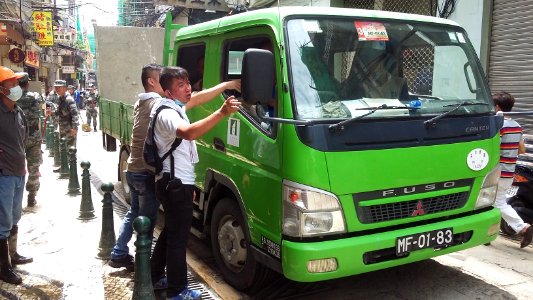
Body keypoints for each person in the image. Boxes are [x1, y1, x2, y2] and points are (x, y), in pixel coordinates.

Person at [150, 66, 241, 299]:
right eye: (181, 85)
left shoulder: (174, 106)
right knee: (179, 240)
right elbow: (189, 133)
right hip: (175, 183)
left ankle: (154, 275)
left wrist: (226, 85)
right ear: (169, 92)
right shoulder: (167, 114)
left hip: (177, 183)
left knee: (171, 232)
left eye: (187, 82)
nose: (188, 88)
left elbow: (199, 97)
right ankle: (177, 290)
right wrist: (221, 113)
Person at [109, 64, 165, 271]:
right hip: (144, 172)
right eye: (162, 78)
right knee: (147, 221)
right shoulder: (157, 104)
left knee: (133, 212)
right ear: (151, 81)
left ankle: (118, 253)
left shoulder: (141, 102)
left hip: (133, 169)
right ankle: (143, 265)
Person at [0, 67, 33, 285]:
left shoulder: (18, 111)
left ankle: (13, 254)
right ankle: (4, 267)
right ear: (2, 89)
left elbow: (23, 139)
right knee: (3, 221)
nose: (15, 87)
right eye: (11, 84)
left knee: (15, 216)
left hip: (19, 171)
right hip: (4, 174)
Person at [492, 91, 533, 248]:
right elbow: (522, 149)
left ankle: (522, 226)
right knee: (498, 201)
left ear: (496, 107)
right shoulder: (517, 126)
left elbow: (494, 148)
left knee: (494, 202)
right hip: (510, 171)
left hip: (496, 171)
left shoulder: (498, 125)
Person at [16, 73, 44, 207]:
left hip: (17, 139)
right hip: (33, 138)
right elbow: (42, 101)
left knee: (15, 169)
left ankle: (16, 197)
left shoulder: (10, 98)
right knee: (33, 168)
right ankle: (31, 195)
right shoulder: (34, 97)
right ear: (27, 83)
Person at [52, 80, 79, 152]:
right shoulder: (60, 99)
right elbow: (59, 112)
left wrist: (74, 128)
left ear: (64, 88)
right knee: (63, 152)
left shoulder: (69, 99)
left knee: (70, 152)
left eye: (59, 87)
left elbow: (75, 114)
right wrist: (52, 112)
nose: (57, 89)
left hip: (70, 130)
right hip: (63, 129)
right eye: (56, 88)